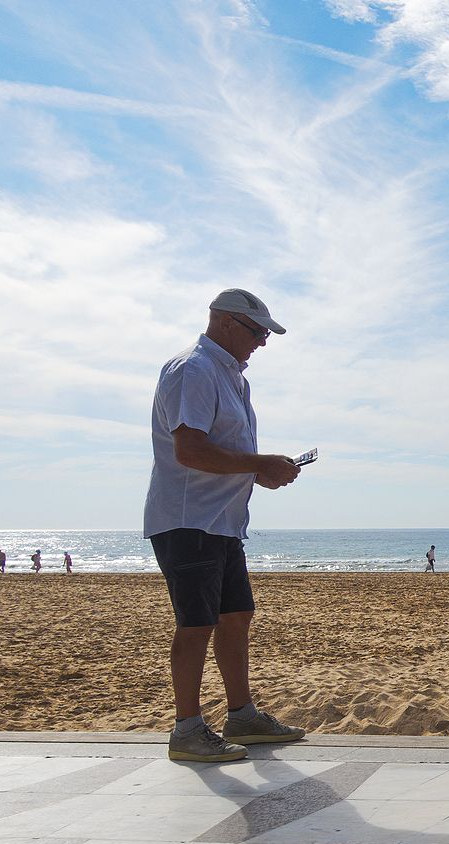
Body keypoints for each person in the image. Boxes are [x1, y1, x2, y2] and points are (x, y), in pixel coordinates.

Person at [144, 288, 307, 763]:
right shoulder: (192, 369)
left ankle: (242, 716)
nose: (262, 342)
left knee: (236, 617)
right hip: (188, 518)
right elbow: (189, 451)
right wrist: (258, 462)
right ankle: (187, 729)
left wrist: (260, 471)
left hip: (222, 522)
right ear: (226, 323)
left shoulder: (232, 377)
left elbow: (218, 449)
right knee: (196, 624)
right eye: (258, 332)